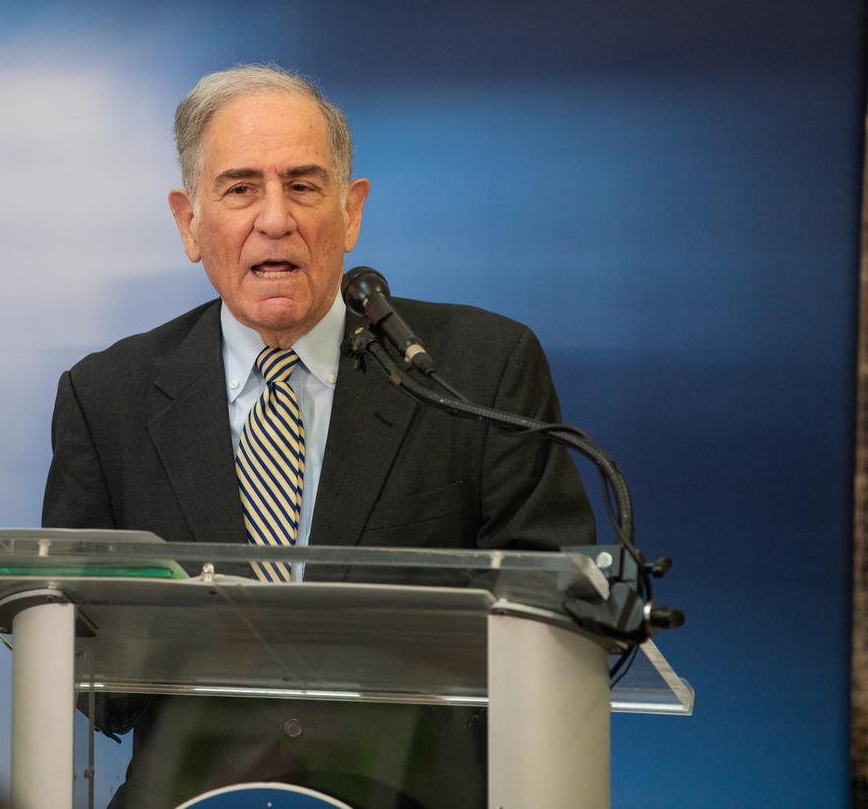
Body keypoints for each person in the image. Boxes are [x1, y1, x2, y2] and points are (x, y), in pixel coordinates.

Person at [42, 64, 595, 809]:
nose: (276, 218)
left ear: (351, 209)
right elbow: (81, 670)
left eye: (303, 185)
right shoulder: (106, 396)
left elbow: (554, 625)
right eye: (240, 188)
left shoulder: (476, 370)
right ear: (189, 222)